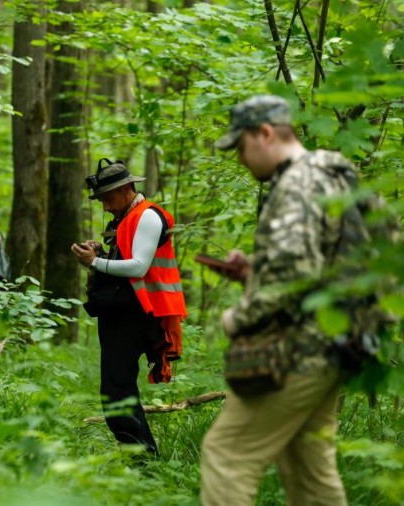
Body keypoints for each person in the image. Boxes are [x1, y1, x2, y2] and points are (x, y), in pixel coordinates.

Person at [200, 95, 352, 505]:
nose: (240, 160)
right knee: (309, 469)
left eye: (241, 147)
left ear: (265, 134)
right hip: (334, 343)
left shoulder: (296, 184)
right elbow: (317, 262)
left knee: (226, 455)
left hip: (297, 347)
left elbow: (295, 274)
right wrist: (255, 269)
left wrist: (238, 317)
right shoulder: (327, 174)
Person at [71, 159, 187, 458]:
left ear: (126, 189)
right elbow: (124, 258)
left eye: (108, 198)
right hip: (120, 312)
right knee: (115, 389)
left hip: (139, 313)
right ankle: (140, 459)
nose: (105, 206)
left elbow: (138, 266)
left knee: (117, 390)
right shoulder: (125, 217)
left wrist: (94, 262)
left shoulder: (147, 216)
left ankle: (144, 462)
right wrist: (99, 251)